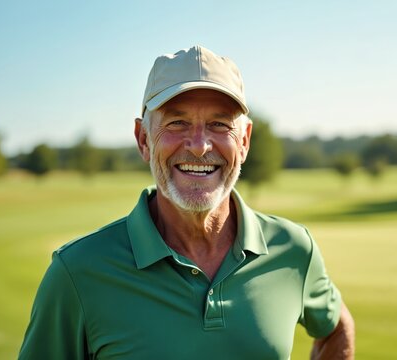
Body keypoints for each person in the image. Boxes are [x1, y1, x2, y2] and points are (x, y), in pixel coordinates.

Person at [19, 45, 355, 359]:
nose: (198, 145)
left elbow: (336, 328)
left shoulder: (295, 249)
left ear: (245, 142)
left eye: (219, 124)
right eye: (177, 122)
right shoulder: (77, 272)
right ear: (143, 139)